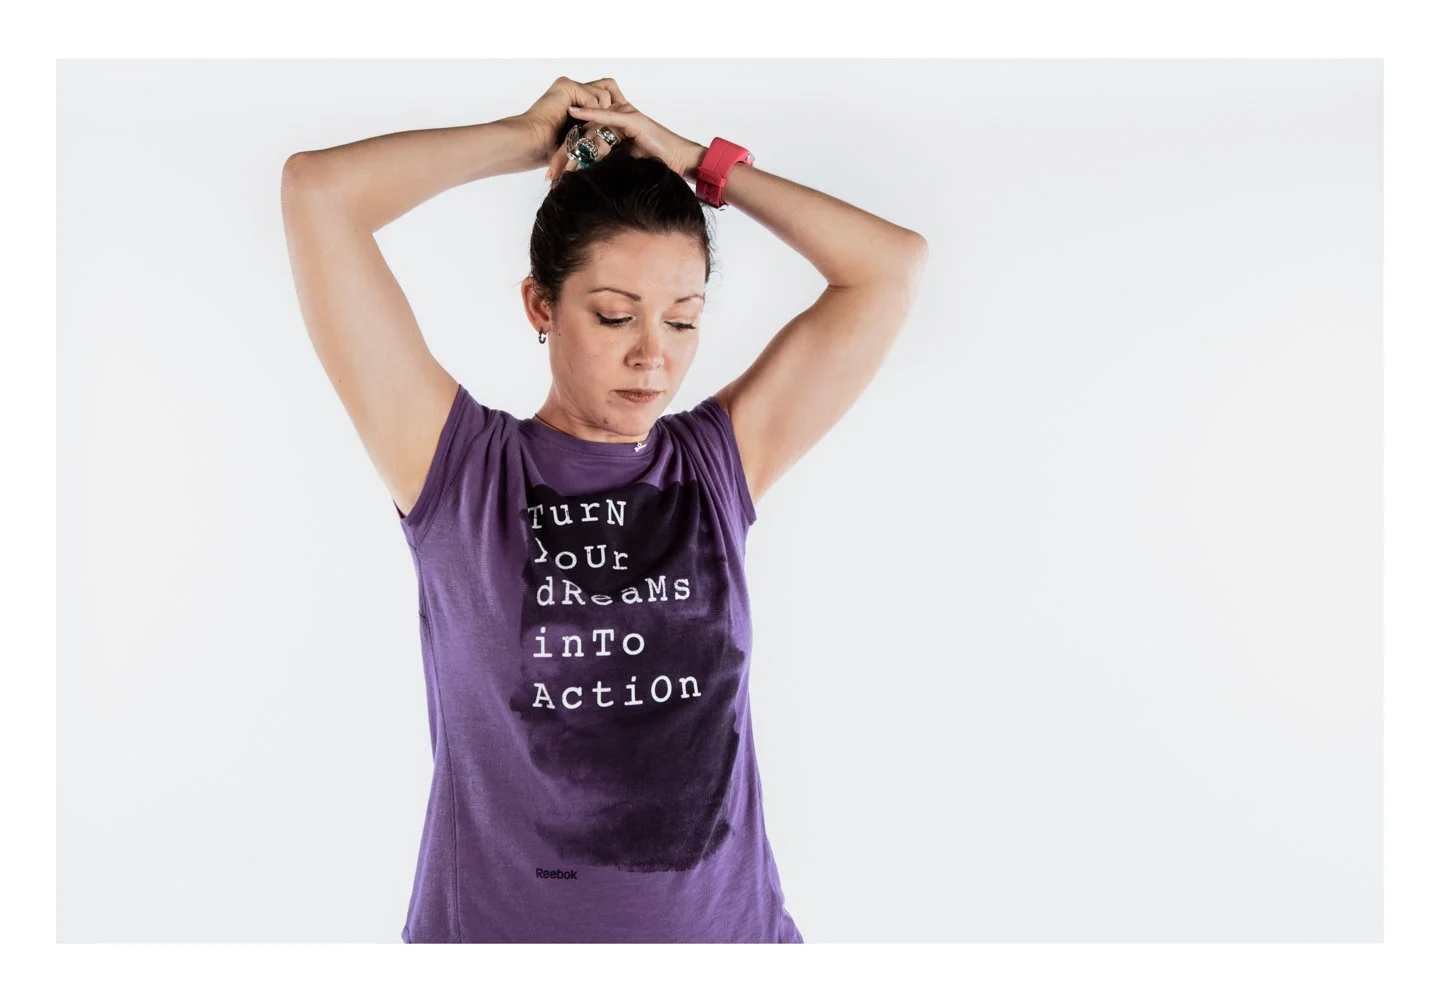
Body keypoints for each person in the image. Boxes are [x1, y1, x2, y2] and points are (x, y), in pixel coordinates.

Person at [280, 75, 927, 944]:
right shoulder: (460, 470)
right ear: (540, 306)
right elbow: (318, 194)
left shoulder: (714, 467)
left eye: (684, 320)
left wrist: (700, 164)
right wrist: (525, 137)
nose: (653, 358)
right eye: (617, 316)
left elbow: (890, 266)